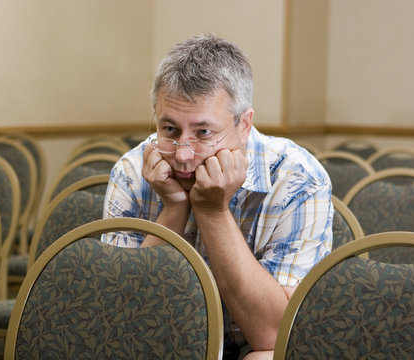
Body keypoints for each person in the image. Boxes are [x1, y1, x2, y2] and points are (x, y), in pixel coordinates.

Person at [102, 33, 333, 359]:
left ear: (244, 125)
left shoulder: (298, 180)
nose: (183, 155)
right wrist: (174, 209)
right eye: (169, 129)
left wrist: (213, 212)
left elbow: (273, 335)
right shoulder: (130, 171)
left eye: (203, 133)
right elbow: (120, 318)